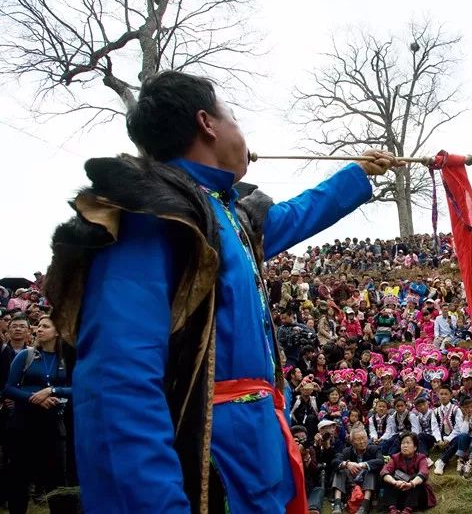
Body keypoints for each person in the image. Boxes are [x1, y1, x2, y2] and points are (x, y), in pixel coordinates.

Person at [44, 70, 398, 513]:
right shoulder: (152, 217)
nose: (239, 128)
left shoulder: (225, 215)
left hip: (257, 448)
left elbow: (298, 213)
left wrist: (358, 174)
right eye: (231, 114)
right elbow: (118, 386)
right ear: (207, 123)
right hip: (209, 453)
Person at [3, 316, 72, 514]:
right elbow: (8, 388)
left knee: (57, 479)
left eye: (45, 326)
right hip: (23, 423)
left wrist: (53, 392)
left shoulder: (66, 360)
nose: (39, 329)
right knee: (18, 477)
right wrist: (35, 397)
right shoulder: (26, 355)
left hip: (52, 425)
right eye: (38, 326)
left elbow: (78, 388)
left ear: (58, 331)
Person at [380, 432, 437, 514]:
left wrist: (411, 484)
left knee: (417, 479)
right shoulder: (395, 457)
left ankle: (408, 509)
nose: (404, 445)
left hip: (417, 496)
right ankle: (393, 509)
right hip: (400, 493)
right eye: (402, 443)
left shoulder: (421, 458)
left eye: (408, 443)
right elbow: (384, 471)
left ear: (415, 447)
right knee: (388, 478)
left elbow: (423, 473)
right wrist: (394, 482)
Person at [331, 429, 384, 514]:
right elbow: (334, 462)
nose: (362, 441)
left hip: (367, 481)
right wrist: (347, 464)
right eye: (358, 439)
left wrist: (363, 464)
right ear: (352, 442)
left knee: (370, 471)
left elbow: (380, 461)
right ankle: (337, 504)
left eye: (364, 438)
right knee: (340, 470)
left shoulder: (374, 449)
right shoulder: (346, 451)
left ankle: (364, 506)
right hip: (350, 480)